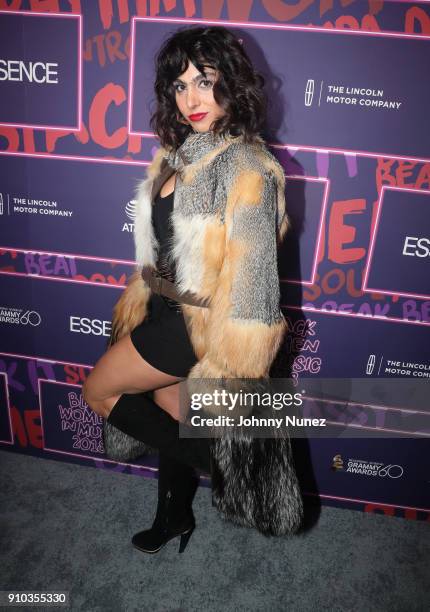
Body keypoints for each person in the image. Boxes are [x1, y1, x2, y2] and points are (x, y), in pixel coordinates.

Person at [83, 25, 303, 555]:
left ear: (231, 83)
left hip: (197, 328)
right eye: (180, 86)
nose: (192, 98)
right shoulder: (178, 153)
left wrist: (232, 364)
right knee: (172, 419)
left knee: (100, 391)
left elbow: (253, 283)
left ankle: (237, 477)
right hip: (162, 307)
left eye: (204, 81)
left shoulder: (247, 165)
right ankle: (174, 515)